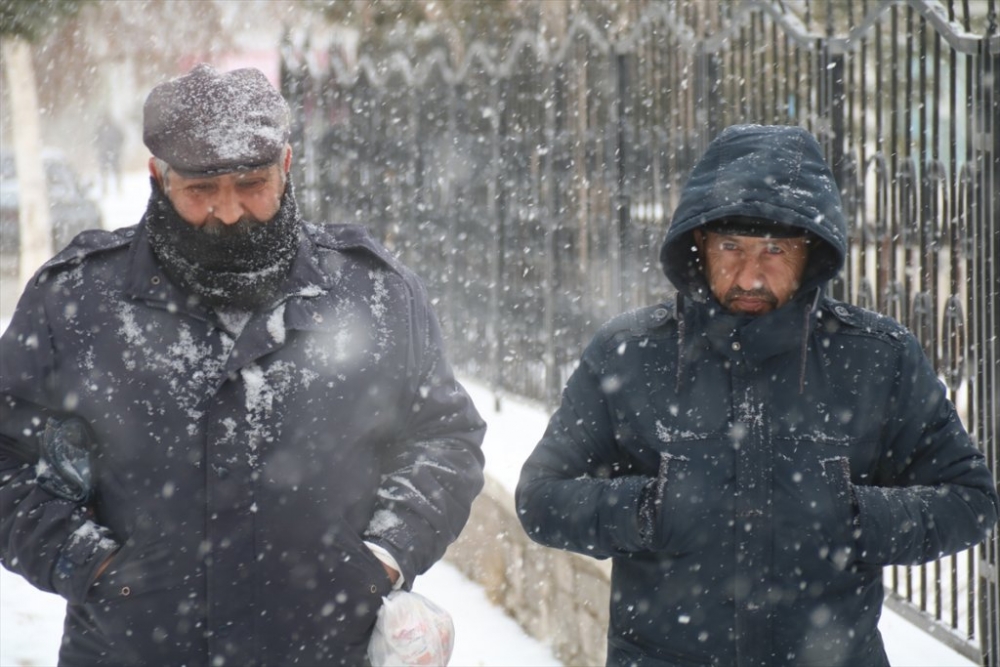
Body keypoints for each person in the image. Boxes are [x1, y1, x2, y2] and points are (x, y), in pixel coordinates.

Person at [0, 63, 486, 666]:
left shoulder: (374, 293)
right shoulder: (76, 301)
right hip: (130, 651)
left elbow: (444, 440)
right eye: (200, 191)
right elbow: (7, 456)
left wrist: (384, 557)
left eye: (251, 184)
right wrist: (90, 564)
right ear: (158, 177)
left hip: (325, 648)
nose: (228, 213)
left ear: (285, 166)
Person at [516, 124, 998, 667]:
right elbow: (541, 499)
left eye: (775, 249)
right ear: (699, 245)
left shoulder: (875, 358)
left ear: (810, 251)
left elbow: (971, 500)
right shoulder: (629, 354)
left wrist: (852, 515)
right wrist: (647, 510)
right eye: (730, 246)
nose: (750, 274)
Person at [95, 112, 124, 195]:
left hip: (112, 152)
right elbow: (95, 140)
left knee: (114, 172)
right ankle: (106, 190)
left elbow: (122, 138)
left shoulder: (111, 128)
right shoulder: (101, 129)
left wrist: (118, 147)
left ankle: (117, 189)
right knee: (106, 172)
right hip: (106, 153)